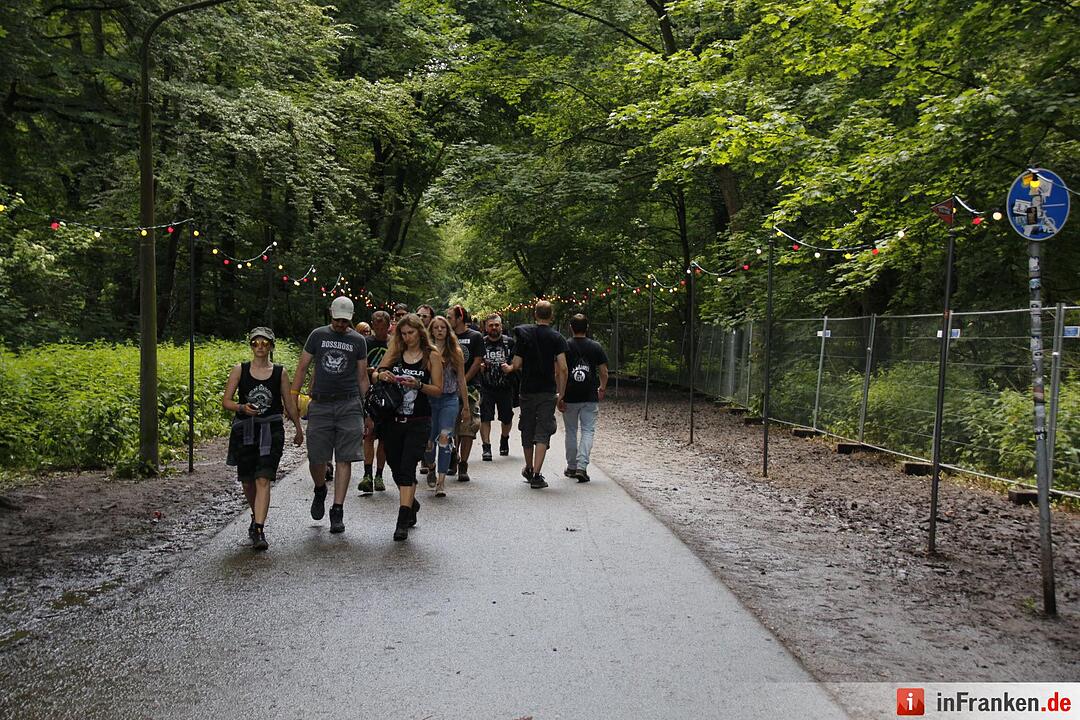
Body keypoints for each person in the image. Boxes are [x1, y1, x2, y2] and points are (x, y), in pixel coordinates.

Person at [290, 296, 369, 534]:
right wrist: (292, 397)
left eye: (345, 322)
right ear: (330, 315)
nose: (341, 325)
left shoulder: (358, 341)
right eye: (337, 321)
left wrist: (368, 409)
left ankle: (337, 509)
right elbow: (303, 367)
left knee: (345, 457)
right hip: (321, 405)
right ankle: (320, 488)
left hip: (349, 403)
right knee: (317, 457)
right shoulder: (318, 335)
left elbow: (362, 377)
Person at [223, 328, 303, 550]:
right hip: (245, 430)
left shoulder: (280, 372)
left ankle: (259, 528)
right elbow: (226, 401)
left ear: (271, 346)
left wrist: (298, 428)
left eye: (264, 343)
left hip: (271, 429)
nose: (260, 346)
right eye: (255, 343)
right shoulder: (240, 369)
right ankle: (254, 514)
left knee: (263, 478)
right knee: (248, 480)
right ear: (250, 345)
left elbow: (288, 403)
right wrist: (241, 407)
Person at [375, 314, 443, 540]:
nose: (407, 337)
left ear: (420, 332)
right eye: (403, 334)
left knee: (407, 468)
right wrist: (382, 375)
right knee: (395, 468)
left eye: (411, 333)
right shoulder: (395, 352)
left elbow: (438, 389)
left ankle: (402, 520)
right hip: (393, 420)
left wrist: (419, 384)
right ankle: (411, 502)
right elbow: (376, 372)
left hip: (418, 421)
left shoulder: (431, 355)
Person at [503, 300, 568, 489]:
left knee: (528, 427)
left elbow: (516, 364)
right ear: (552, 316)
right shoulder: (557, 338)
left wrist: (508, 368)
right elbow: (562, 368)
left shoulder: (525, 336)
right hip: (547, 390)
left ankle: (529, 467)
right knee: (543, 430)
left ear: (535, 314)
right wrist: (561, 393)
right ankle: (537, 474)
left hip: (527, 389)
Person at [560, 314, 609, 483]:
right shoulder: (596, 346)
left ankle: (572, 466)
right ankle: (582, 466)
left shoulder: (564, 346)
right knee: (588, 430)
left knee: (571, 431)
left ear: (571, 327)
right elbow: (603, 371)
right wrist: (602, 387)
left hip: (570, 395)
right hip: (589, 395)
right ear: (587, 328)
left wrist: (560, 394)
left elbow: (559, 371)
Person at [424, 315, 470, 496]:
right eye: (436, 328)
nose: (440, 330)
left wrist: (465, 405)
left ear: (447, 330)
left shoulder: (455, 351)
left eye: (443, 327)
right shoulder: (425, 351)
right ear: (431, 331)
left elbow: (461, 380)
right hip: (429, 399)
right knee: (428, 441)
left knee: (445, 438)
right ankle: (431, 467)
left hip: (449, 399)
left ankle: (441, 482)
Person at [450, 305, 483, 481]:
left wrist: (463, 381)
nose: (448, 320)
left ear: (460, 318)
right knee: (452, 426)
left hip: (471, 388)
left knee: (468, 427)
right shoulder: (449, 337)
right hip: (449, 388)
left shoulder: (475, 336)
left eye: (450, 317)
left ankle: (463, 464)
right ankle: (453, 455)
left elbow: (477, 361)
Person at [358, 310, 391, 493]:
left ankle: (379, 474)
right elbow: (360, 367)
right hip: (369, 393)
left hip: (388, 395)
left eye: (382, 327)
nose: (379, 330)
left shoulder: (393, 343)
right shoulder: (365, 342)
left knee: (385, 439)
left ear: (388, 327)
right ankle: (367, 474)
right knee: (369, 435)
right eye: (376, 327)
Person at [478, 313, 516, 461]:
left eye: (497, 325)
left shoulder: (510, 342)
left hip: (505, 386)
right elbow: (475, 361)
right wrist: (479, 367)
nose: (494, 328)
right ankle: (486, 447)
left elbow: (518, 362)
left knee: (506, 417)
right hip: (486, 386)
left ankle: (504, 438)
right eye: (491, 325)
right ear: (486, 327)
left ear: (501, 326)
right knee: (485, 417)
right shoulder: (480, 343)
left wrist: (511, 367)